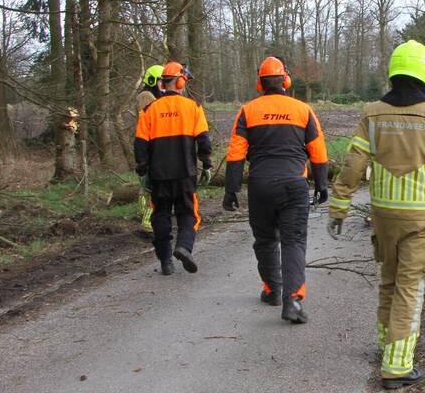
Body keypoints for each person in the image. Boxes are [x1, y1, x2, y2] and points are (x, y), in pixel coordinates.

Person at [327, 41, 425, 389]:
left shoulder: (372, 113)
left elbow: (354, 163)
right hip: (419, 219)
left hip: (384, 217)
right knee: (409, 289)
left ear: (394, 72)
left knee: (389, 281)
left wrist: (339, 206)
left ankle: (386, 347)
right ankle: (398, 366)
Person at [223, 57, 328, 324]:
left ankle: (272, 290)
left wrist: (231, 189)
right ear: (286, 80)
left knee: (266, 239)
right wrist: (321, 184)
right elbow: (317, 151)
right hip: (294, 184)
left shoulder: (247, 111)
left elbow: (236, 153)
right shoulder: (303, 110)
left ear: (260, 82)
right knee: (294, 241)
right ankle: (292, 300)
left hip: (260, 185)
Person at [134, 62, 212, 275]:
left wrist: (142, 169)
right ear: (179, 81)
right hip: (186, 172)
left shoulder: (149, 110)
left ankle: (166, 261)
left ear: (162, 83)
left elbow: (140, 144)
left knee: (160, 215)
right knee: (188, 213)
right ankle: (184, 247)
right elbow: (204, 141)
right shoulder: (193, 107)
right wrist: (206, 164)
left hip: (158, 174)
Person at [136, 65, 164, 238]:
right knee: (150, 189)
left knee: (146, 187)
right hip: (149, 149)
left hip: (148, 148)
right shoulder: (147, 97)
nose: (163, 85)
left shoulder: (150, 96)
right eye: (161, 81)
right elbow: (149, 124)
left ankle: (145, 217)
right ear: (153, 81)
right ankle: (147, 224)